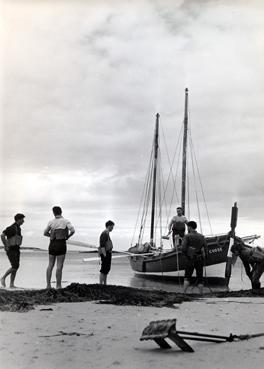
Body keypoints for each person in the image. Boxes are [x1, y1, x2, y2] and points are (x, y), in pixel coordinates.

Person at [44, 206, 75, 289]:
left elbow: (45, 233)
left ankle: (48, 285)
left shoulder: (51, 222)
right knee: (59, 266)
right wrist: (68, 236)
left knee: (50, 265)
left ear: (54, 213)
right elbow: (73, 230)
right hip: (61, 244)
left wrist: (51, 235)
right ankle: (58, 285)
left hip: (52, 244)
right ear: (61, 212)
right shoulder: (65, 221)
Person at [181, 221, 207, 294]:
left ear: (189, 227)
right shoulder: (202, 237)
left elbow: (183, 248)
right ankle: (200, 293)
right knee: (200, 277)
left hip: (190, 258)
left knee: (187, 277)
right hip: (199, 259)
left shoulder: (187, 236)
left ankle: (184, 293)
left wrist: (186, 256)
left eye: (187, 227)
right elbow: (206, 249)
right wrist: (204, 258)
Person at [1, 213, 25, 288]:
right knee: (15, 266)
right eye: (22, 219)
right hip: (11, 250)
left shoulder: (18, 228)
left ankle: (11, 284)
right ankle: (3, 277)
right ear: (18, 220)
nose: (23, 221)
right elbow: (2, 235)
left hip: (16, 249)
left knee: (16, 267)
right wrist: (5, 245)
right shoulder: (11, 227)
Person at [98, 220, 115, 285]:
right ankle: (101, 284)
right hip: (105, 253)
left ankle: (105, 283)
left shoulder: (107, 233)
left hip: (108, 253)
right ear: (109, 226)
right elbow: (102, 245)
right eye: (112, 227)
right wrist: (104, 255)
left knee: (107, 269)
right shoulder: (104, 233)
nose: (112, 228)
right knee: (103, 269)